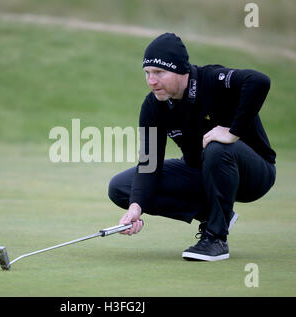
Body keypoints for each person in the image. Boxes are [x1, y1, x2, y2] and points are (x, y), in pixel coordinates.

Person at [108, 33, 276, 261]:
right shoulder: (153, 105)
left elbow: (259, 81)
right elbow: (149, 163)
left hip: (254, 174)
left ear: (182, 71)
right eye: (147, 73)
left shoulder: (212, 79)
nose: (151, 81)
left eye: (159, 73)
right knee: (121, 188)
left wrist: (233, 131)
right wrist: (136, 208)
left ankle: (216, 238)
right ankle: (214, 215)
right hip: (201, 171)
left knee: (217, 146)